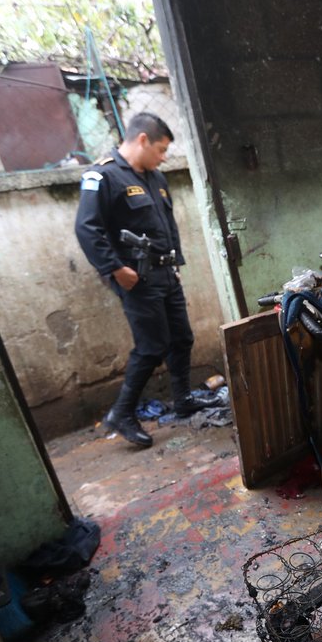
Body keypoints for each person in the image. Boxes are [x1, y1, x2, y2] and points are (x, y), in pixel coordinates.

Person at [74, 112, 209, 447]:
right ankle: (122, 413)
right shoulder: (103, 176)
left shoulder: (156, 178)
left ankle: (182, 401)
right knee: (151, 347)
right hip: (137, 278)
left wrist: (176, 261)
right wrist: (115, 269)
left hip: (166, 273)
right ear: (143, 140)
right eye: (161, 149)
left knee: (182, 338)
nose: (164, 157)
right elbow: (86, 228)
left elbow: (168, 225)